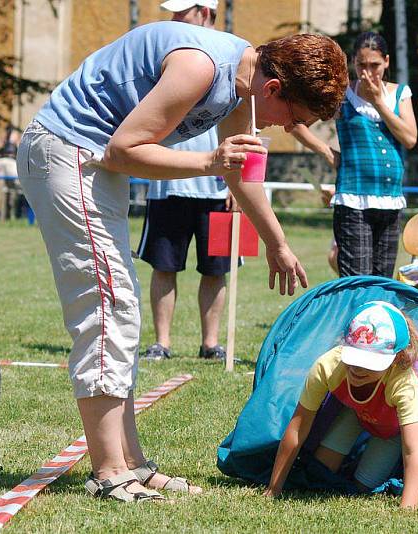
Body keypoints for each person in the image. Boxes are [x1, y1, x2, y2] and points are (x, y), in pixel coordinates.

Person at [16, 20, 348, 502]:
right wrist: (208, 163)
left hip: (95, 163)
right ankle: (109, 472)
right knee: (107, 305)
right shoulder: (201, 66)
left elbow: (242, 178)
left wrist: (276, 242)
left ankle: (130, 461)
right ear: (273, 87)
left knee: (121, 306)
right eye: (291, 116)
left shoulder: (243, 86)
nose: (283, 127)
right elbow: (124, 148)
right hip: (68, 153)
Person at [137, 0, 238, 361]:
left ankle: (211, 344)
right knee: (164, 265)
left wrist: (239, 185)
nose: (174, 19)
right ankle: (161, 343)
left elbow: (248, 125)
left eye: (183, 12)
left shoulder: (232, 55)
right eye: (173, 12)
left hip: (217, 187)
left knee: (216, 269)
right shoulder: (165, 54)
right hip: (167, 182)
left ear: (206, 13)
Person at [263, 301, 418, 509]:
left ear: (396, 359)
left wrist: (408, 509)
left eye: (369, 363)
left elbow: (413, 450)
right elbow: (297, 428)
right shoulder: (329, 366)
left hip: (391, 431)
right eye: (354, 359)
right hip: (356, 415)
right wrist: (274, 488)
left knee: (362, 486)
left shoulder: (404, 382)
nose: (357, 369)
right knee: (320, 473)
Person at [291, 32, 417, 278]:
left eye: (375, 65)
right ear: (353, 63)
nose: (368, 72)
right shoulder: (342, 94)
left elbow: (410, 139)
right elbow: (296, 123)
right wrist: (328, 153)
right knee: (357, 278)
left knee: (382, 280)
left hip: (390, 198)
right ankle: (353, 317)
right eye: (361, 65)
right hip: (353, 198)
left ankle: (377, 318)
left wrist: (379, 102)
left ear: (387, 62)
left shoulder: (400, 94)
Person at [0, 142, 20, 221]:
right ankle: (10, 216)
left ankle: (1, 216)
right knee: (11, 198)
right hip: (13, 183)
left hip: (8, 183)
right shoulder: (14, 163)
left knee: (2, 196)